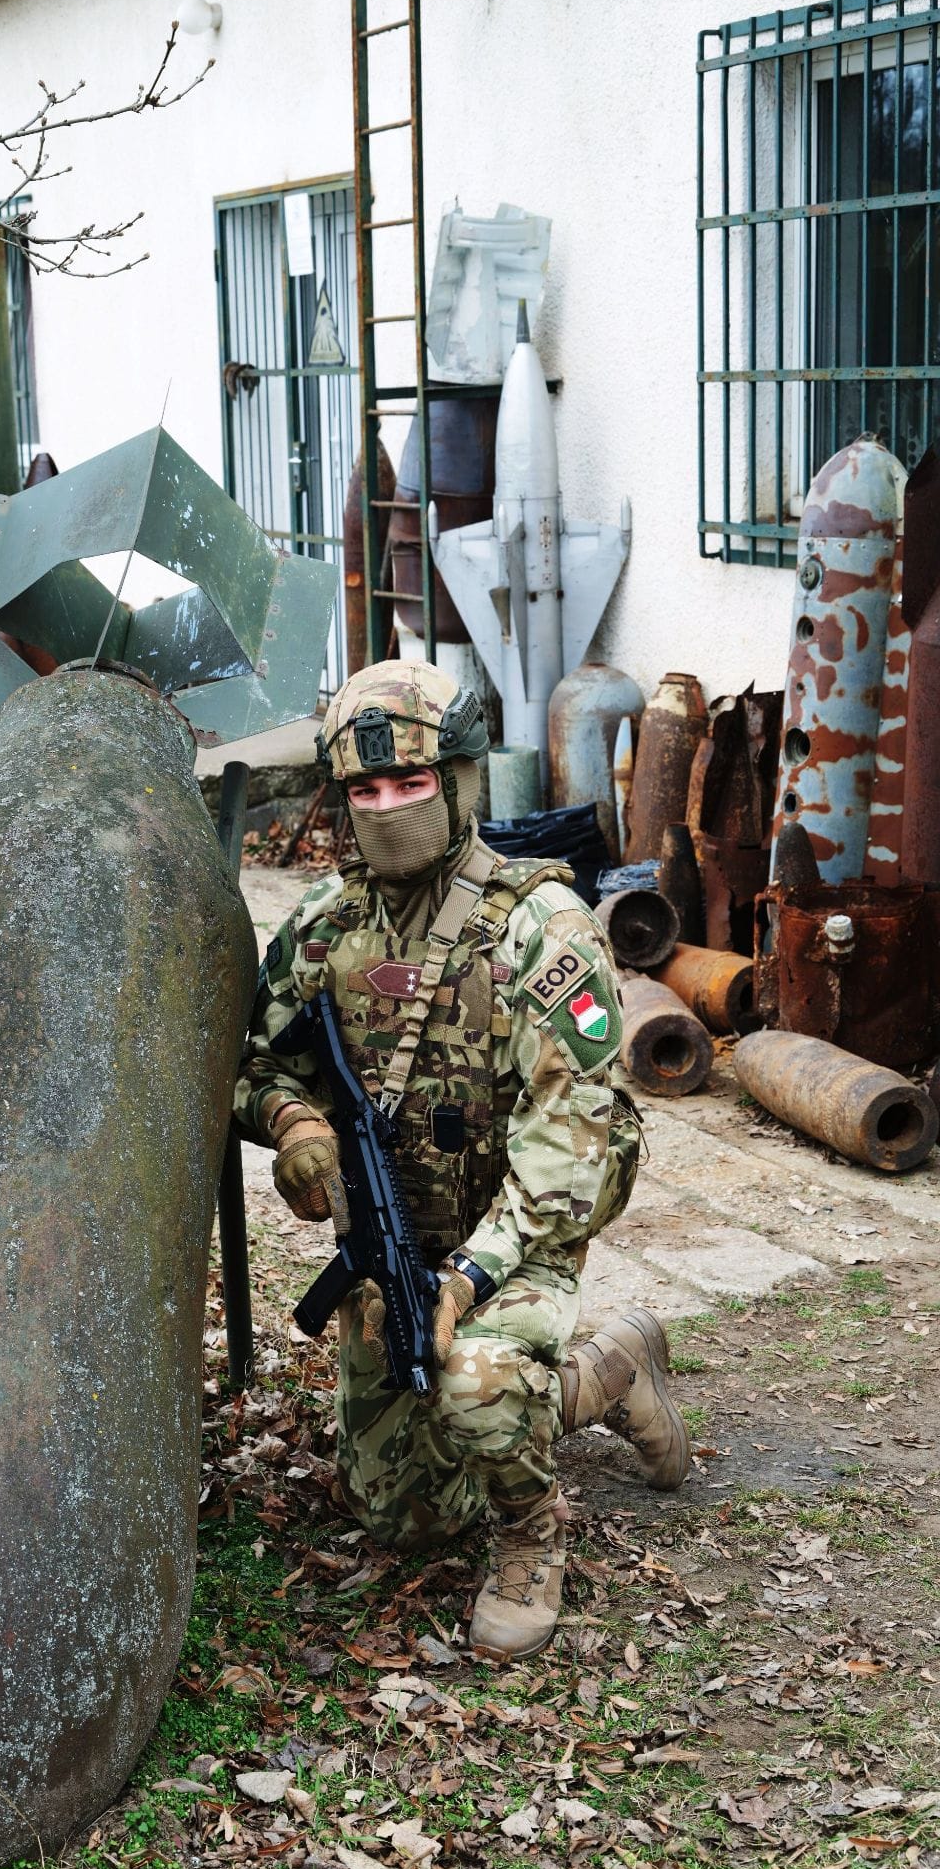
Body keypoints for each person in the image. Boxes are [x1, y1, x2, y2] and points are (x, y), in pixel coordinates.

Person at [234, 659, 688, 1661]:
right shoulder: (324, 926)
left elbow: (571, 1143)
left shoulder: (542, 929)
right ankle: (600, 1375)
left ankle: (534, 1528)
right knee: (400, 1514)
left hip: (519, 1234)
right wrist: (292, 1123)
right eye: (366, 789)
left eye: (413, 782)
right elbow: (253, 1059)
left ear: (461, 781)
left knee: (476, 1377)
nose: (389, 806)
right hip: (401, 1236)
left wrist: (472, 1275)